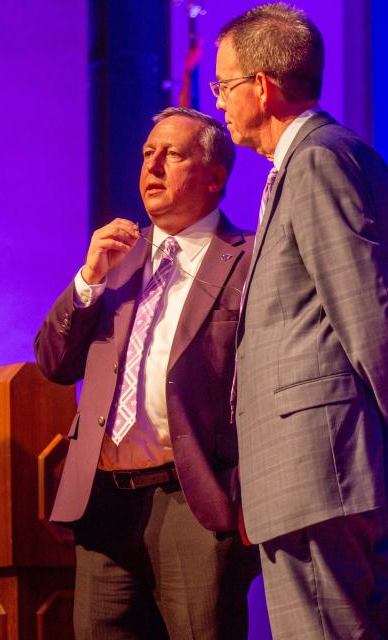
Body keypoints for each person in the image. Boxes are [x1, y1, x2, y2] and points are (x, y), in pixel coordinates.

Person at [213, 4, 388, 638]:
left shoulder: (319, 161)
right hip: (313, 478)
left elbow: (370, 315)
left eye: (223, 85)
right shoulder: (315, 164)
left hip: (320, 474)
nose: (218, 103)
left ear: (262, 87)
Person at [34, 107, 258, 640]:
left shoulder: (250, 259)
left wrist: (244, 492)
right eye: (146, 154)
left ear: (214, 176)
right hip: (107, 503)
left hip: (195, 500)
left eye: (172, 155)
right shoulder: (117, 261)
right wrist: (88, 280)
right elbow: (53, 361)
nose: (152, 167)